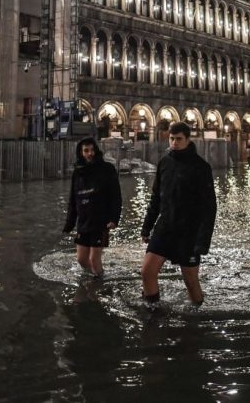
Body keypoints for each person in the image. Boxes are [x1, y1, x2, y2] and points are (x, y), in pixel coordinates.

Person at [140, 121, 217, 308]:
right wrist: (147, 226)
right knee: (147, 271)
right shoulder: (164, 162)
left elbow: (209, 207)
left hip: (188, 232)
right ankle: (153, 310)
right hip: (165, 226)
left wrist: (203, 241)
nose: (174, 143)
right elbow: (156, 198)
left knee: (190, 281)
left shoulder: (201, 167)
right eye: (172, 139)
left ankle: (197, 314)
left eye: (179, 139)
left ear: (188, 139)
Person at [63, 137, 122, 278]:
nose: (90, 153)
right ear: (81, 153)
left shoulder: (107, 169)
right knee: (81, 260)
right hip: (83, 221)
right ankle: (95, 278)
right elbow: (73, 198)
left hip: (100, 220)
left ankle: (98, 283)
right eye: (86, 150)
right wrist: (69, 223)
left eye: (92, 150)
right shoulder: (78, 173)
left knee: (94, 259)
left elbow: (116, 196)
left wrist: (114, 218)